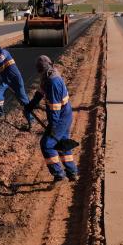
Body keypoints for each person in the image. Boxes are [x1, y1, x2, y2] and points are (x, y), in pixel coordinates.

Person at [25, 55, 78, 183]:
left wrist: (53, 127)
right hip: (65, 115)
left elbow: (55, 109)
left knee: (47, 144)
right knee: (62, 144)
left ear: (42, 68)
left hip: (60, 117)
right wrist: (31, 104)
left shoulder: (53, 82)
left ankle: (59, 175)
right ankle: (72, 172)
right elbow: (40, 91)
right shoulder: (49, 74)